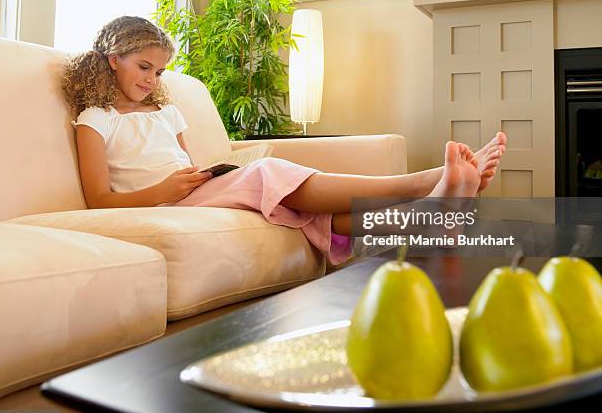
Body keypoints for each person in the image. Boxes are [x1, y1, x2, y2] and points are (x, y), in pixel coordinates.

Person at [62, 16, 507, 267]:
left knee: (310, 211)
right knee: (268, 174)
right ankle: (422, 184)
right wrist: (161, 191)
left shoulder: (167, 111)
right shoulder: (95, 119)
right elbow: (98, 198)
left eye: (158, 71)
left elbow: (189, 163)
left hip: (197, 192)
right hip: (163, 201)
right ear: (111, 59)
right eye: (143, 67)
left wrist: (203, 175)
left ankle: (428, 215)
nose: (151, 79)